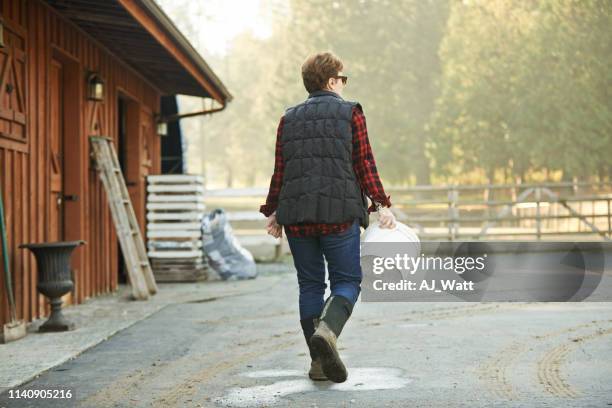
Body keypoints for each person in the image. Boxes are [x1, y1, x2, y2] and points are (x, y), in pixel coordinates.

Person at [259, 51, 396, 383]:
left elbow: (282, 169)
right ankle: (328, 332)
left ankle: (318, 362)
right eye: (342, 79)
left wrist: (274, 209)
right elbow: (364, 162)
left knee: (310, 285)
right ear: (331, 81)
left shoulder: (288, 118)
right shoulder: (351, 113)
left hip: (298, 217)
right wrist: (381, 203)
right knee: (347, 282)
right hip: (339, 214)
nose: (344, 85)